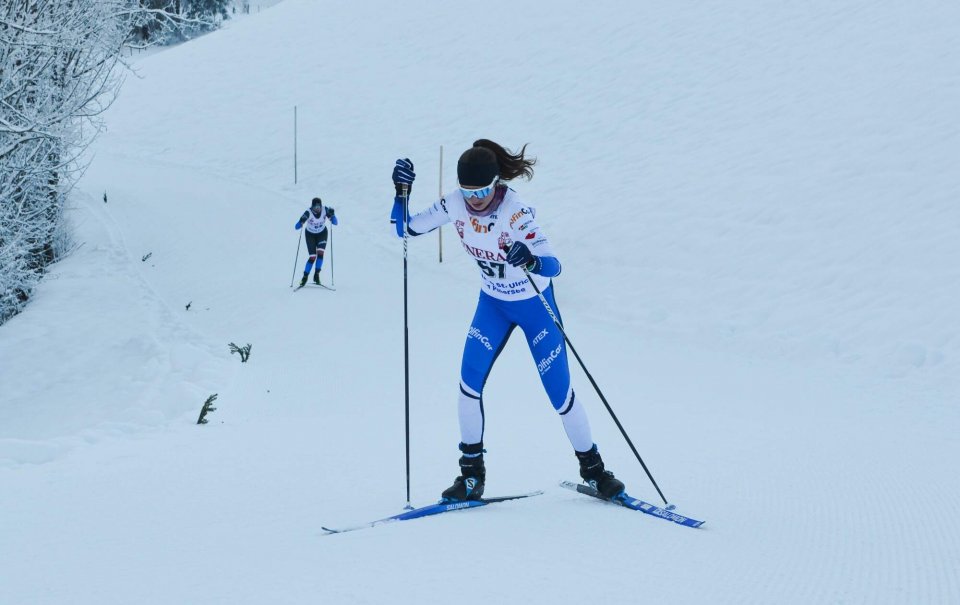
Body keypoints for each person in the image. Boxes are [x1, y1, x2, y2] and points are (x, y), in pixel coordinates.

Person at [390, 139, 626, 502]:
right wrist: (401, 193)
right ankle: (471, 476)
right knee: (468, 385)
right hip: (493, 306)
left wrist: (530, 259)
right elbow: (406, 229)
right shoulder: (455, 203)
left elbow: (554, 266)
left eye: (482, 190)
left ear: (496, 183)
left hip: (535, 308)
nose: (475, 199)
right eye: (468, 191)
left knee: (560, 394)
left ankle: (594, 471)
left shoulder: (516, 213)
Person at [295, 197, 338, 286]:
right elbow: (296, 227)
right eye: (316, 207)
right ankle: (305, 277)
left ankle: (316, 274)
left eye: (319, 207)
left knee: (320, 253)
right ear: (312, 206)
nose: (318, 209)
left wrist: (333, 215)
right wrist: (301, 221)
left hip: (322, 233)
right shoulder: (308, 212)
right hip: (310, 235)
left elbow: (335, 223)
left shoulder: (325, 210)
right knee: (312, 257)